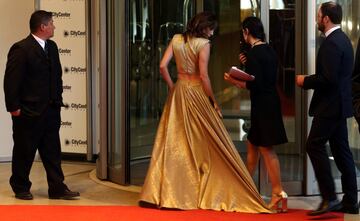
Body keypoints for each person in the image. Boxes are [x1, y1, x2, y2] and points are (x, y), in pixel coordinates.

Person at [139, 12, 271, 213]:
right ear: (204, 27)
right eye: (211, 30)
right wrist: (214, 101)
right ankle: (201, 187)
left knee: (175, 141)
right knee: (209, 141)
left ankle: (166, 192)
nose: (212, 34)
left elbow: (162, 66)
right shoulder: (203, 45)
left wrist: (172, 86)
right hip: (196, 93)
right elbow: (204, 76)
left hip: (179, 92)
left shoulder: (176, 39)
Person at [3, 10, 80, 200]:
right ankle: (20, 187)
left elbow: (57, 77)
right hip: (28, 112)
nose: (54, 26)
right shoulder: (21, 49)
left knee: (52, 152)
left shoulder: (52, 47)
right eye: (52, 23)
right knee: (24, 151)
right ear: (43, 27)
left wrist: (58, 100)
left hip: (51, 111)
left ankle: (57, 188)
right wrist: (14, 108)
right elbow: (11, 81)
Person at [295, 2, 358, 215]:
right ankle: (350, 200)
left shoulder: (332, 43)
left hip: (330, 107)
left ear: (326, 19)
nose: (316, 19)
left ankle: (329, 197)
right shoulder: (344, 40)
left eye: (318, 15)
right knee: (341, 152)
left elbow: (328, 79)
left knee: (314, 145)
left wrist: (305, 81)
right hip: (339, 106)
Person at [224, 16, 288, 212]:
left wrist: (233, 80)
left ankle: (278, 192)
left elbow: (254, 83)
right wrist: (246, 63)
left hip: (262, 105)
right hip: (271, 102)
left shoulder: (253, 54)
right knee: (253, 145)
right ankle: (245, 188)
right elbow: (262, 76)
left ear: (246, 32)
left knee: (266, 149)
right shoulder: (269, 50)